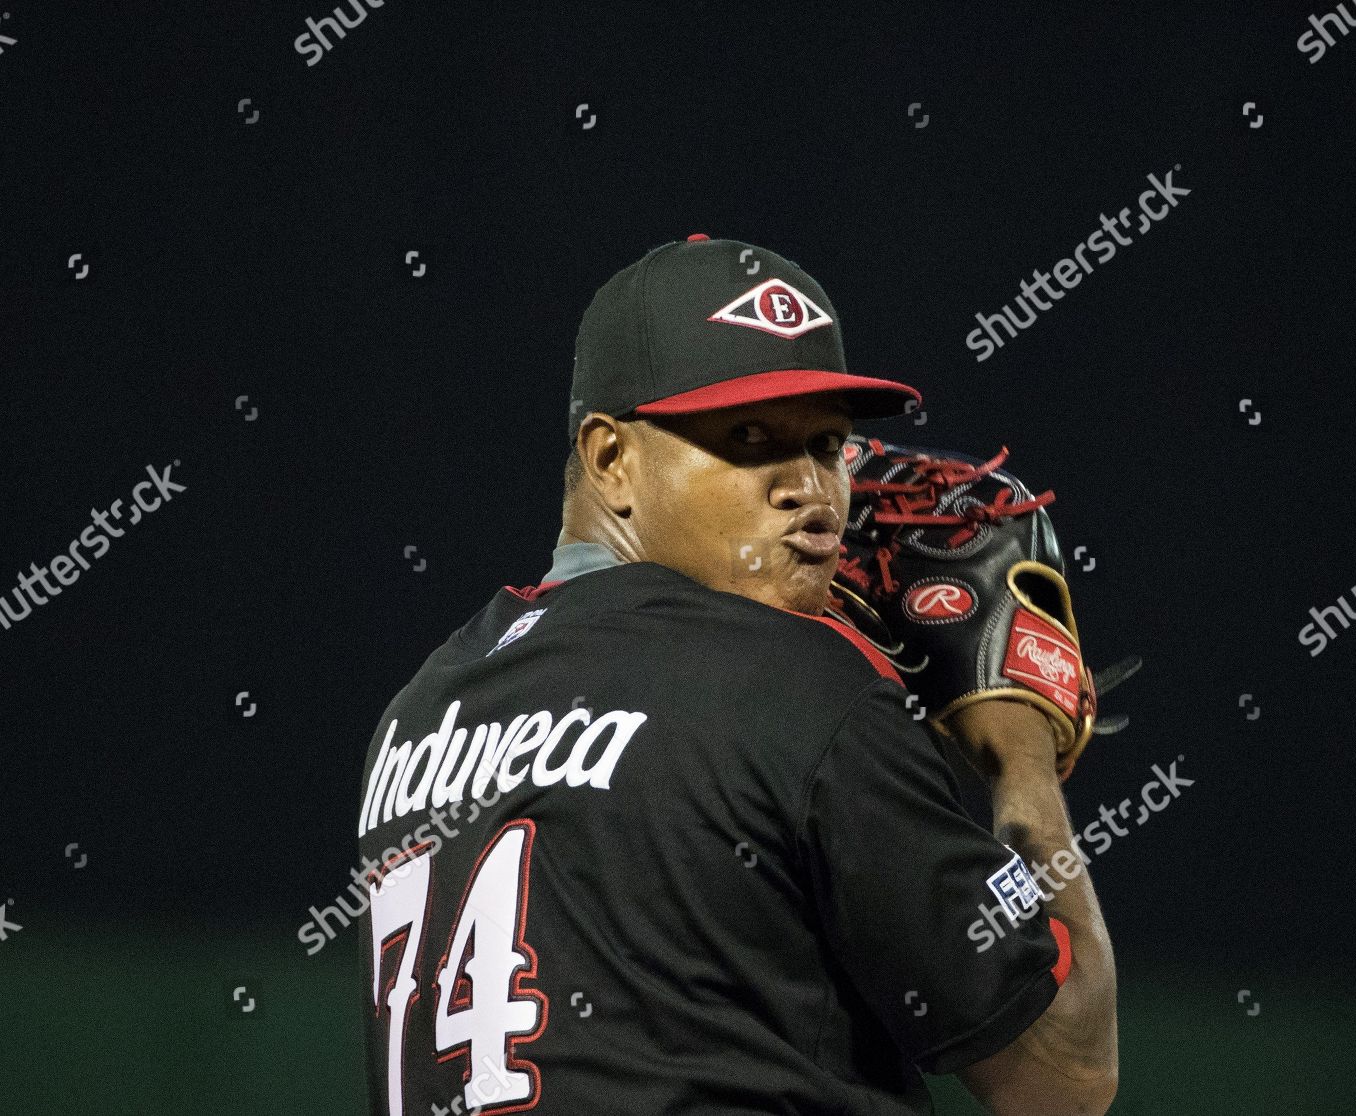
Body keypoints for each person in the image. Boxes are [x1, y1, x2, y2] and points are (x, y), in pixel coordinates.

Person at [355, 234, 1117, 1115]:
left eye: (827, 444)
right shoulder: (803, 694)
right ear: (610, 461)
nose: (811, 490)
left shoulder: (418, 713)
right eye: (749, 440)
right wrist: (1013, 751)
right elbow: (1064, 1072)